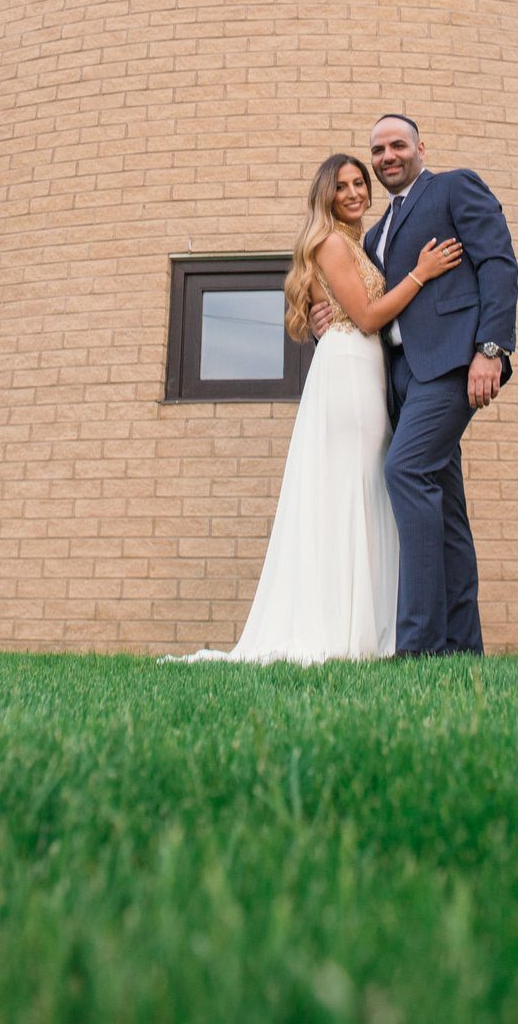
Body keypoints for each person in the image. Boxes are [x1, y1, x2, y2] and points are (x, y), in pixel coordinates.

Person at [175, 153, 462, 664]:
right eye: (342, 186)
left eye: (360, 183)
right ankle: (342, 630)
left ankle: (370, 627)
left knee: (367, 488)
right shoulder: (332, 242)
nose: (354, 193)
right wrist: (421, 273)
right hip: (349, 369)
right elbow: (370, 316)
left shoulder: (359, 243)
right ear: (325, 195)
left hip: (364, 368)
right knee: (352, 489)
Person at [313, 116, 518, 657]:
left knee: (404, 470)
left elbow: (498, 262)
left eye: (397, 145)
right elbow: (367, 307)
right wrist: (326, 320)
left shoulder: (455, 187)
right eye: (377, 149)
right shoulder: (375, 233)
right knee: (444, 506)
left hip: (452, 365)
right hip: (399, 378)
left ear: (420, 147)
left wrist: (490, 349)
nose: (386, 157)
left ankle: (421, 645)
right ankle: (460, 646)